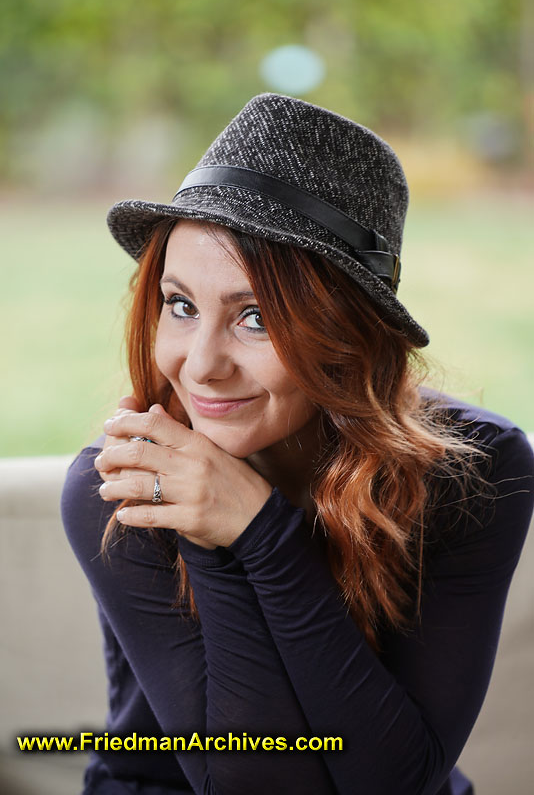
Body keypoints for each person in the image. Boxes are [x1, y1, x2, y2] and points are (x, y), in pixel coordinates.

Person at [61, 93, 534, 795]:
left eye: (255, 317)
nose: (200, 365)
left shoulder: (477, 470)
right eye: (181, 305)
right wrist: (210, 538)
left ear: (349, 334)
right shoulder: (124, 486)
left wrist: (260, 533)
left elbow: (396, 782)